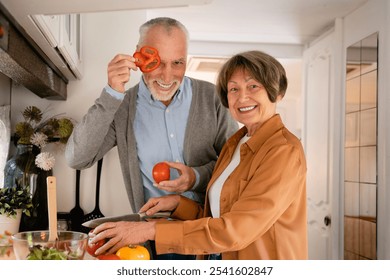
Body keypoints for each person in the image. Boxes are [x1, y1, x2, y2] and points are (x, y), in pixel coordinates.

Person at [90, 50, 308, 260]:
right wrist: (178, 204)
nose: (242, 97)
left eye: (253, 86)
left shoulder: (283, 151)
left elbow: (235, 230)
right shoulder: (235, 144)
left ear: (277, 92)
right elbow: (216, 218)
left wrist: (150, 230)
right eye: (233, 89)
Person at [64, 17, 238, 260]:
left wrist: (194, 177)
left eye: (177, 62)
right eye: (158, 62)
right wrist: (111, 93)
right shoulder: (121, 106)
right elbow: (77, 158)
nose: (167, 76)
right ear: (138, 56)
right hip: (154, 243)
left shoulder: (213, 98)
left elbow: (236, 169)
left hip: (207, 238)